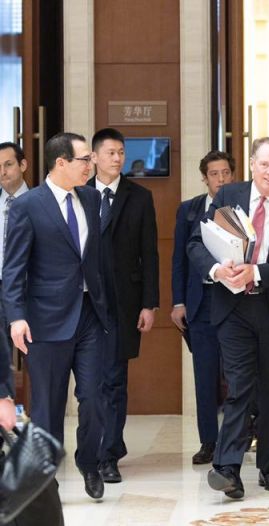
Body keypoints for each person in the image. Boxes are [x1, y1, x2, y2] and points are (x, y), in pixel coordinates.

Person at [187, 137, 269, 499]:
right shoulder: (229, 195)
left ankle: (268, 467)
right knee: (239, 386)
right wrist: (217, 270)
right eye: (265, 164)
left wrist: (256, 272)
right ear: (252, 164)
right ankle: (227, 468)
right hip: (233, 308)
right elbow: (197, 242)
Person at [3, 132, 109, 500]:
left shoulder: (91, 198)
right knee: (48, 406)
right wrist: (16, 316)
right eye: (85, 159)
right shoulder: (28, 205)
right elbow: (13, 267)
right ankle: (46, 482)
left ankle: (89, 462)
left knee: (95, 396)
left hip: (90, 315)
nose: (90, 165)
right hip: (45, 320)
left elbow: (95, 259)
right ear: (61, 163)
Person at [87, 128, 159, 484]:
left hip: (123, 303)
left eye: (121, 152)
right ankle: (99, 445)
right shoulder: (79, 194)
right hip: (85, 304)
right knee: (92, 383)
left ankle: (108, 455)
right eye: (110, 152)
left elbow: (150, 253)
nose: (117, 158)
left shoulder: (140, 197)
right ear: (94, 157)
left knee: (114, 379)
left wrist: (149, 304)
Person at [171, 150, 234, 464]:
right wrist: (178, 301)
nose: (220, 179)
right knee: (205, 376)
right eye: (214, 174)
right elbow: (179, 259)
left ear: (233, 175)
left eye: (225, 173)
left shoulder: (243, 206)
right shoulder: (189, 209)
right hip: (201, 302)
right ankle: (208, 441)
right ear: (204, 178)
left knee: (237, 375)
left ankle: (236, 438)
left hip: (236, 301)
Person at [0, 142, 30, 395]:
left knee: (36, 354)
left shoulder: (41, 201)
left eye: (8, 164)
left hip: (30, 288)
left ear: (23, 165)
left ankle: (38, 411)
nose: (2, 171)